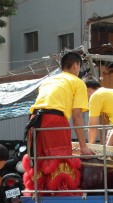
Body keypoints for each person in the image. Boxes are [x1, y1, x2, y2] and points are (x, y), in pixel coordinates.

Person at [24, 51, 93, 195]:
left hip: (34, 120)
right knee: (61, 161)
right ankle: (62, 200)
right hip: (55, 120)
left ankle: (40, 198)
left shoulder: (48, 81)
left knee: (40, 162)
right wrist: (83, 146)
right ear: (76, 66)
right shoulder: (77, 82)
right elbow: (77, 116)